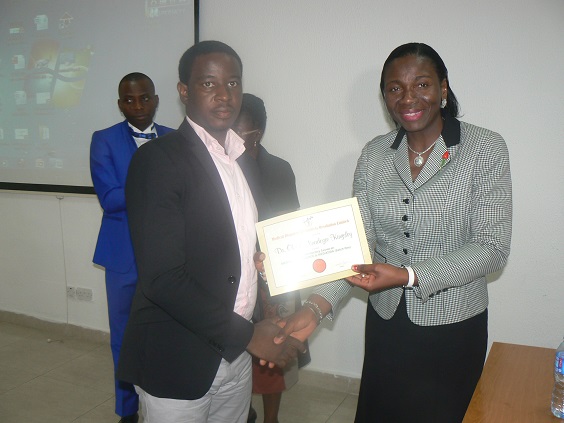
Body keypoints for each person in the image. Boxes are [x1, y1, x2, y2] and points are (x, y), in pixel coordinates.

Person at [275, 42, 513, 423]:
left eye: (422, 84)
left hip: (452, 326)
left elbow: (491, 248)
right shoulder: (374, 155)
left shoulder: (484, 148)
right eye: (395, 88)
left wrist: (408, 275)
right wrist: (315, 308)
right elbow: (358, 244)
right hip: (387, 324)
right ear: (385, 96)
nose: (408, 98)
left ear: (443, 88)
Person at [116, 41, 305, 423]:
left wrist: (263, 260)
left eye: (233, 83)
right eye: (208, 84)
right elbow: (163, 279)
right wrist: (249, 336)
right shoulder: (157, 160)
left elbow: (237, 244)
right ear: (184, 91)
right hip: (178, 356)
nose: (224, 94)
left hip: (235, 355)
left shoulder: (242, 161)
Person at [90, 72, 173, 423]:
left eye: (144, 98)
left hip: (169, 256)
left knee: (168, 332)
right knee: (124, 336)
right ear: (120, 104)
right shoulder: (103, 140)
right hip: (123, 256)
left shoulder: (175, 138)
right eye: (129, 99)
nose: (137, 105)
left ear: (156, 99)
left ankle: (167, 399)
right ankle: (128, 411)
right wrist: (155, 186)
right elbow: (109, 198)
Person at [233, 93, 310, 423]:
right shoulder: (220, 166)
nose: (231, 137)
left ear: (258, 133)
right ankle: (243, 411)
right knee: (236, 350)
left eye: (240, 131)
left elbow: (289, 223)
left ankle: (271, 418)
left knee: (274, 348)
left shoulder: (278, 168)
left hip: (273, 274)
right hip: (233, 276)